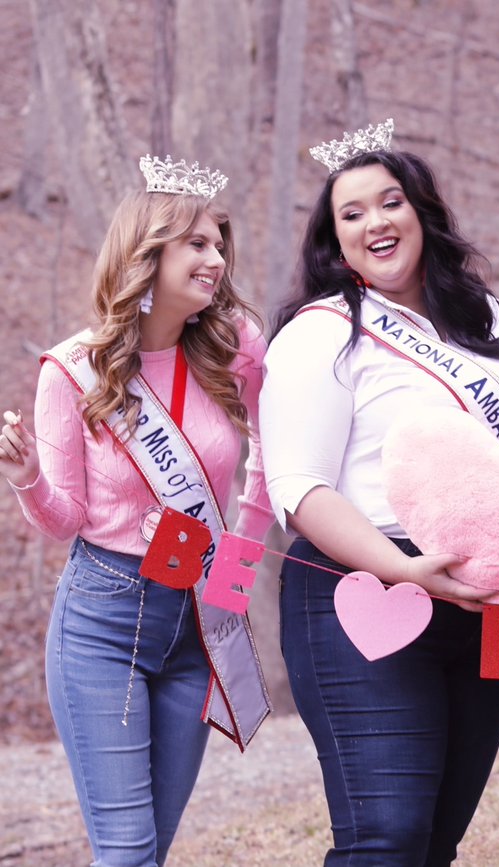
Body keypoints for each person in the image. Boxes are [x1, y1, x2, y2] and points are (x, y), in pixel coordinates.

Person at [259, 119, 499, 866]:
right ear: (336, 241)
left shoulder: (481, 316)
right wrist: (406, 570)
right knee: (385, 838)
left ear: (422, 211)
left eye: (390, 202)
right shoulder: (320, 333)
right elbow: (299, 488)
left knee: (435, 843)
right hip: (363, 589)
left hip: (482, 601)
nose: (375, 223)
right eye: (352, 213)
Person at [0, 155, 272, 866]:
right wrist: (28, 478)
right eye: (197, 243)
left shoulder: (235, 348)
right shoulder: (73, 371)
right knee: (126, 852)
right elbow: (65, 518)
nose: (218, 259)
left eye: (220, 244)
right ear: (146, 255)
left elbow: (270, 461)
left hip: (196, 618)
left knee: (148, 851)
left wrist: (235, 569)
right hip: (104, 619)